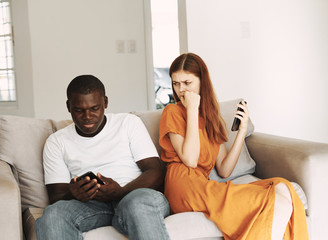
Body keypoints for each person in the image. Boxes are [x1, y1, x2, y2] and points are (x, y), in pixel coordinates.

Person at [159, 53, 308, 240]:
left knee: (283, 189)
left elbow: (225, 169)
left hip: (204, 185)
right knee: (280, 202)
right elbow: (189, 159)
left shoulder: (211, 119)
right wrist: (191, 109)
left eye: (187, 83)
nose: (181, 90)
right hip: (182, 185)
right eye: (176, 83)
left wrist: (241, 133)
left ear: (202, 81)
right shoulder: (172, 111)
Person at [35, 75, 171, 240]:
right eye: (79, 110)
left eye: (94, 108)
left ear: (105, 102)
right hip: (92, 206)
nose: (87, 116)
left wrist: (120, 192)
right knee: (52, 214)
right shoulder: (56, 142)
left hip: (137, 196)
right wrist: (73, 193)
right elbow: (56, 197)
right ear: (68, 106)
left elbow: (155, 170)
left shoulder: (128, 123)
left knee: (136, 205)